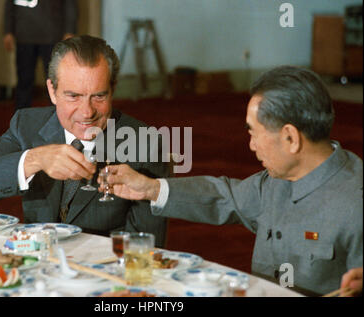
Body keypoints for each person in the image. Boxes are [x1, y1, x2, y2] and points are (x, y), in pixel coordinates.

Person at [101, 66, 363, 296]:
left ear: (290, 138)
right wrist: (150, 188)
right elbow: (224, 196)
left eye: (254, 132)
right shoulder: (276, 181)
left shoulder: (355, 202)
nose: (251, 145)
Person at [0, 35, 169, 247]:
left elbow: (146, 247)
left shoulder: (144, 142)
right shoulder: (27, 124)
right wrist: (35, 159)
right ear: (52, 91)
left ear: (113, 90)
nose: (87, 112)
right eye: (74, 96)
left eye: (99, 96)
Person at [4, 0, 78, 111]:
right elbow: (9, 5)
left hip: (52, 35)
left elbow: (70, 4)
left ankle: (57, 119)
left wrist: (70, 30)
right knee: (24, 81)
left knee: (55, 82)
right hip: (25, 35)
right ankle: (22, 118)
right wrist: (8, 31)